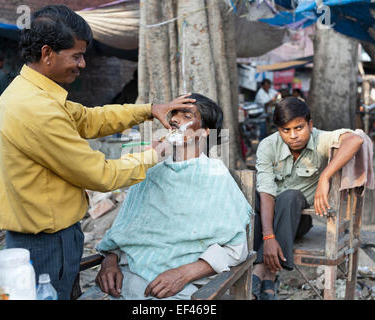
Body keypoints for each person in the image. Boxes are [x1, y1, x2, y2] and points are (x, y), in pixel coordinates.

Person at [0, 5, 195, 300]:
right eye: (76, 55)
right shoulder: (35, 108)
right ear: (48, 53)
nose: (83, 64)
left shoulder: (32, 93)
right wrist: (157, 153)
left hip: (51, 237)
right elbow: (100, 174)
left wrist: (149, 110)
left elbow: (89, 119)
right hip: (46, 243)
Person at [79, 93, 252, 300]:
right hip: (124, 281)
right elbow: (122, 234)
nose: (174, 120)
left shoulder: (215, 175)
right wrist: (109, 262)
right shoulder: (149, 172)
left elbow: (235, 248)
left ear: (205, 132)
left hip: (180, 290)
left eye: (186, 115)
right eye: (174, 113)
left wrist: (183, 273)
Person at [252, 97, 364, 300]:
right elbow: (266, 192)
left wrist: (325, 176)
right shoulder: (267, 147)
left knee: (290, 196)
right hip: (266, 223)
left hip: (299, 221)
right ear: (278, 130)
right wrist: (269, 238)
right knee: (256, 197)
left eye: (299, 128)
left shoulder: (320, 139)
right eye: (286, 130)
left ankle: (261, 272)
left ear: (310, 125)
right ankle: (267, 277)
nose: (293, 135)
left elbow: (355, 140)